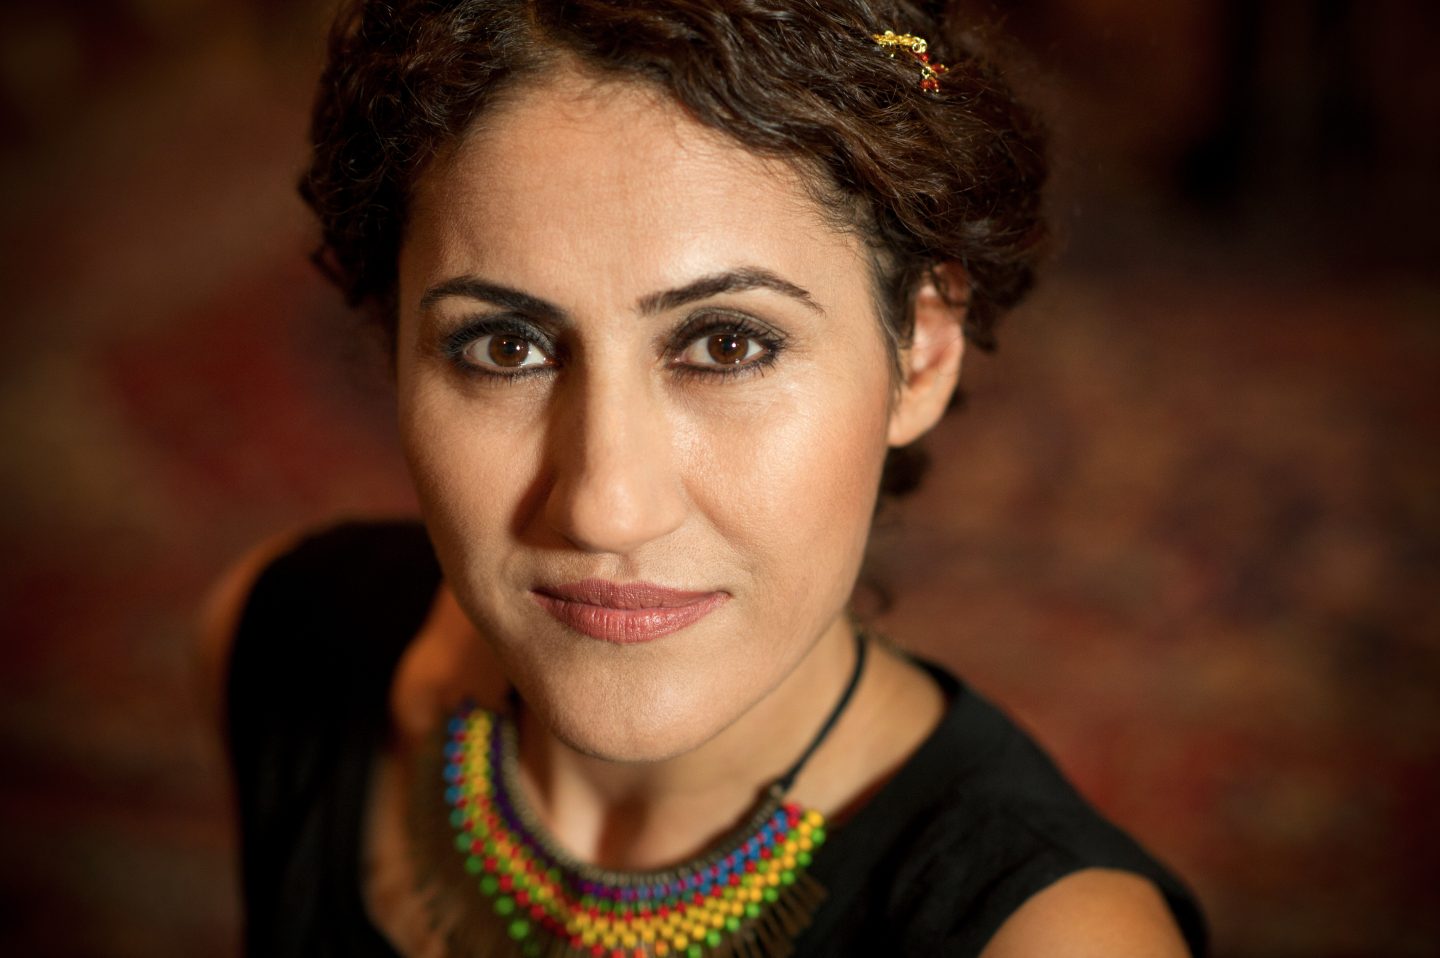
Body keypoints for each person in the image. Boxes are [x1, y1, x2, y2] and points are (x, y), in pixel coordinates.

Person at [204, 1, 1209, 955]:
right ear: (392, 347)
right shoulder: (281, 638)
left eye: (728, 344)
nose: (606, 506)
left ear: (922, 354)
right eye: (506, 347)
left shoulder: (1053, 939)